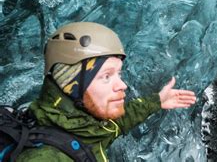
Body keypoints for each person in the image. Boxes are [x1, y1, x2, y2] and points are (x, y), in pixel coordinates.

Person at [16, 22, 197, 161]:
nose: (122, 85)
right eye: (106, 76)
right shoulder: (45, 157)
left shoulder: (82, 124)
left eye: (118, 73)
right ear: (72, 85)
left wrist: (157, 101)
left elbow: (117, 123)